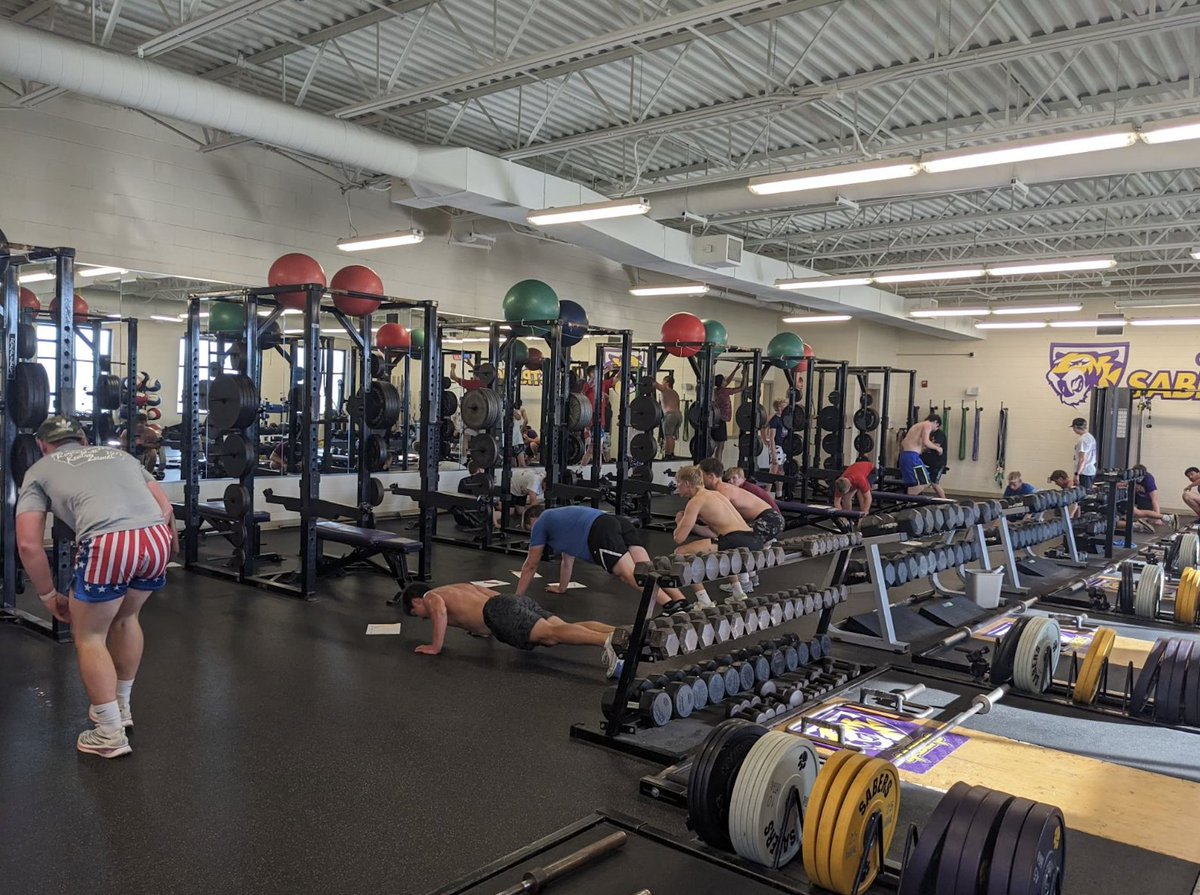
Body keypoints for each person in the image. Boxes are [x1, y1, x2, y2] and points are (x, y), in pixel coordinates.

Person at [15, 417, 178, 759]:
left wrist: (47, 596)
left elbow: (29, 544)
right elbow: (164, 507)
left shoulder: (39, 470)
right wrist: (167, 544)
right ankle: (122, 708)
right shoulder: (120, 457)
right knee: (126, 619)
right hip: (154, 537)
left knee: (89, 635)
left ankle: (108, 733)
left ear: (43, 446)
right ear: (84, 439)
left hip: (109, 540)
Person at [399, 581, 619, 677]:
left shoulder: (431, 597)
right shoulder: (453, 588)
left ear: (416, 601)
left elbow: (439, 612)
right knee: (560, 629)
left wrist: (435, 647)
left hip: (500, 611)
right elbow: (483, 596)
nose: (420, 618)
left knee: (552, 635)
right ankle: (620, 632)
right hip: (508, 601)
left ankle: (607, 641)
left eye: (414, 613)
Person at [515, 505, 688, 611]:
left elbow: (531, 564)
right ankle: (680, 601)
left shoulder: (543, 521)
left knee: (628, 574)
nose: (532, 534)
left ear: (533, 519)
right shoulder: (562, 521)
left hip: (600, 530)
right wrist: (561, 588)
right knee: (646, 568)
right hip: (615, 521)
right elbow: (567, 561)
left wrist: (517, 598)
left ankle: (669, 605)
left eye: (530, 528)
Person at [698, 458, 784, 543]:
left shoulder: (723, 490)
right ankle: (763, 541)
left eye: (701, 476)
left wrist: (693, 522)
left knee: (730, 537)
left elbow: (719, 524)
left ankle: (763, 542)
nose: (699, 480)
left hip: (771, 520)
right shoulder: (722, 489)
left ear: (711, 477)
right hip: (770, 519)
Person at [1121, 465, 1175, 532]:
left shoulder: (1148, 479)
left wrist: (1158, 518)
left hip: (1145, 498)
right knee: (1137, 512)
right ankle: (1166, 518)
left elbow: (1154, 499)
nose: (1139, 479)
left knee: (1140, 514)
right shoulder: (1130, 476)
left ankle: (1165, 517)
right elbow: (1119, 484)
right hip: (1132, 495)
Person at [898, 414, 942, 495]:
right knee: (925, 482)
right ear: (936, 422)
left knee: (914, 483)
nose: (933, 430)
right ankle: (908, 501)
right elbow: (926, 442)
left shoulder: (916, 426)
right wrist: (938, 448)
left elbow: (903, 443)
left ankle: (908, 502)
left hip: (905, 456)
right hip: (912, 457)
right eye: (936, 427)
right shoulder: (927, 425)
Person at [710, 372, 741, 463]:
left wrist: (735, 369)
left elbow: (727, 381)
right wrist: (745, 373)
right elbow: (742, 387)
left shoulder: (716, 390)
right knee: (720, 446)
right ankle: (717, 466)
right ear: (721, 383)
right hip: (721, 421)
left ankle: (711, 465)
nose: (725, 381)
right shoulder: (725, 391)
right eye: (724, 380)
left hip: (715, 419)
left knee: (714, 446)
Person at [655, 373, 682, 460]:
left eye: (663, 381)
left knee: (668, 436)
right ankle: (671, 454)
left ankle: (667, 455)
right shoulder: (675, 393)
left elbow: (654, 384)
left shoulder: (665, 389)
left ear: (667, 383)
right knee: (672, 436)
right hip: (678, 416)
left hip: (670, 415)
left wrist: (649, 376)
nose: (662, 383)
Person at [920, 424, 948, 499]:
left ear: (936, 423)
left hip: (937, 463)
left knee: (934, 483)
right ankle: (914, 499)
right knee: (920, 481)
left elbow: (935, 446)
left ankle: (945, 502)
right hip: (927, 462)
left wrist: (923, 447)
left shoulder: (940, 434)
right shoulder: (928, 433)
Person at [1071, 417, 1097, 489]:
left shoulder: (1083, 439)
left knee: (1084, 495)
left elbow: (1082, 459)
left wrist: (1077, 474)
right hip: (1089, 470)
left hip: (1084, 472)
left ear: (1075, 427)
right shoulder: (1090, 437)